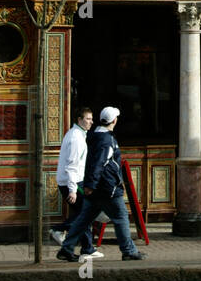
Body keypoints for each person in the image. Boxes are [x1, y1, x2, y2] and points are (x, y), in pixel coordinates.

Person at [56, 107, 144, 262]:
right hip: (107, 187)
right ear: (114, 121)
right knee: (121, 217)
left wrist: (90, 184)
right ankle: (128, 250)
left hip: (95, 188)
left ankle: (66, 248)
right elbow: (99, 163)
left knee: (84, 219)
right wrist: (92, 184)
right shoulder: (106, 140)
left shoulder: (93, 136)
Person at [51, 107, 103, 260]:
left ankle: (87, 248)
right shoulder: (76, 138)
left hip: (72, 181)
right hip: (72, 182)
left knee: (84, 213)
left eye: (92, 119)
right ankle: (60, 229)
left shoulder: (78, 134)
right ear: (79, 120)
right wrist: (73, 189)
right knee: (85, 214)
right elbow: (72, 165)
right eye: (88, 119)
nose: (91, 122)